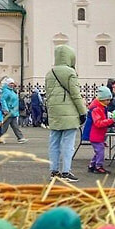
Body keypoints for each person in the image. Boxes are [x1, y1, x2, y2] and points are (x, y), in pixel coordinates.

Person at [44, 45, 85, 183]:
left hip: (55, 112)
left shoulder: (50, 73)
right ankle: (66, 172)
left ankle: (54, 171)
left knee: (54, 142)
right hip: (69, 113)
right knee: (68, 144)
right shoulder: (70, 73)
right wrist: (82, 112)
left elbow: (48, 94)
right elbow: (75, 94)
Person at [87, 87, 115, 174]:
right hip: (96, 135)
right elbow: (98, 123)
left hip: (98, 135)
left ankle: (92, 165)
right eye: (107, 100)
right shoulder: (97, 109)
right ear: (102, 99)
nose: (109, 102)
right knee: (100, 152)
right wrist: (110, 121)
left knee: (98, 151)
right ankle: (98, 166)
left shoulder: (100, 108)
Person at [0, 78, 26, 144]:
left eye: (12, 83)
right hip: (9, 111)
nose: (12, 85)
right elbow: (3, 100)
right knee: (5, 127)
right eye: (10, 83)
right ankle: (0, 138)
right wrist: (5, 109)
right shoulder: (6, 91)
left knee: (15, 126)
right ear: (7, 84)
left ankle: (20, 138)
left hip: (13, 112)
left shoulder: (12, 91)